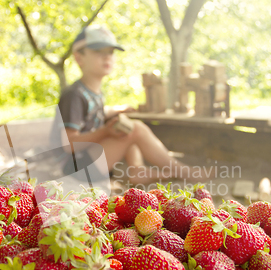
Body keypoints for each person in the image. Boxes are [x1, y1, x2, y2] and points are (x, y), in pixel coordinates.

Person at [51, 25, 200, 185]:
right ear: (79, 58)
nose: (106, 57)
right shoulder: (74, 95)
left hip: (86, 161)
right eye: (98, 51)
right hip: (74, 169)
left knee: (124, 124)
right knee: (134, 128)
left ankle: (138, 170)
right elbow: (69, 145)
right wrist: (106, 131)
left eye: (110, 52)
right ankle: (185, 172)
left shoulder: (91, 92)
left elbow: (93, 113)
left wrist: (118, 110)